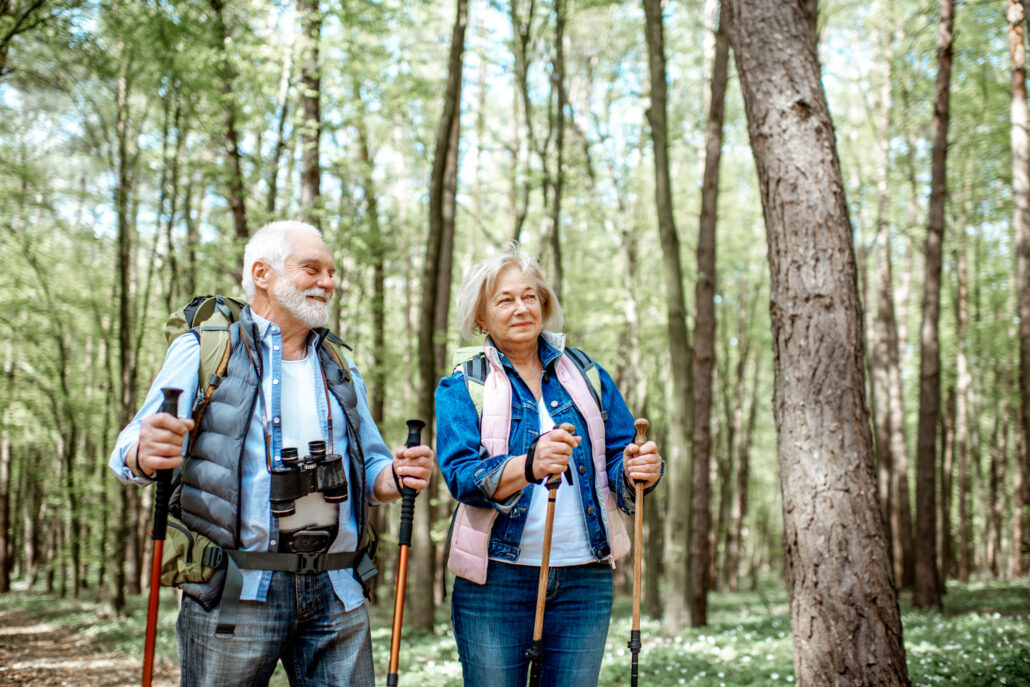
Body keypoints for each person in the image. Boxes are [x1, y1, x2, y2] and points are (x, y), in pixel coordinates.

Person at [109, 220, 434, 687]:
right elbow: (130, 448)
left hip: (337, 590)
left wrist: (396, 475)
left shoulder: (340, 363)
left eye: (331, 272)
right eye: (312, 269)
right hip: (237, 588)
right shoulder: (205, 350)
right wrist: (146, 450)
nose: (328, 282)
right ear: (262, 274)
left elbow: (376, 467)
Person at [435, 244, 662, 687]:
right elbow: (462, 476)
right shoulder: (464, 385)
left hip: (585, 577)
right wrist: (529, 464)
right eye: (504, 300)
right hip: (496, 581)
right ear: (481, 317)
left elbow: (617, 460)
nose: (521, 308)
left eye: (529, 296)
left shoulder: (587, 372)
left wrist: (638, 469)